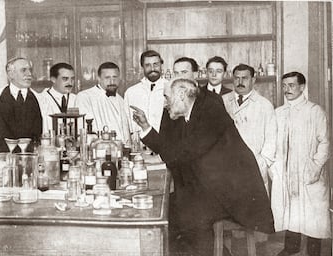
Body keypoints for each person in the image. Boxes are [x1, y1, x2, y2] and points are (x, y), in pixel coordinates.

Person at [131, 78, 274, 255]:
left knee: (184, 213)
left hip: (233, 192)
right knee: (170, 207)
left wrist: (160, 146)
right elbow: (177, 151)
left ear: (182, 94)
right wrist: (145, 126)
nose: (166, 104)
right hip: (213, 185)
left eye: (167, 98)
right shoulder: (193, 111)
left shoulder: (209, 111)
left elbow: (181, 154)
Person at [271, 72, 330, 256]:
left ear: (302, 87)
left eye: (292, 85)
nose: (287, 89)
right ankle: (291, 248)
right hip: (287, 172)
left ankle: (314, 252)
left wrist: (314, 167)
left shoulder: (315, 111)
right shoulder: (278, 113)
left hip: (309, 173)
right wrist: (275, 169)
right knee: (292, 214)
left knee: (313, 218)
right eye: (284, 86)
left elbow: (325, 143)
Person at [222, 64, 276, 193]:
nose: (240, 82)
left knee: (254, 209)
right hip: (226, 168)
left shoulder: (264, 105)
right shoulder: (222, 101)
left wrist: (262, 163)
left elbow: (271, 140)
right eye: (237, 78)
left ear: (253, 80)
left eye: (245, 78)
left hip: (255, 167)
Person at [0, 57, 42, 152]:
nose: (29, 74)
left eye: (30, 70)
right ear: (11, 74)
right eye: (24, 70)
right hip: (3, 158)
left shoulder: (39, 98)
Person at [76, 62, 130, 143]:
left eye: (115, 77)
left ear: (119, 78)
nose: (112, 81)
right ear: (99, 78)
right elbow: (83, 131)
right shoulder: (85, 97)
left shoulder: (121, 100)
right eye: (107, 78)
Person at [124, 50, 166, 134]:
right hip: (139, 143)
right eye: (148, 65)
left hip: (165, 143)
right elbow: (126, 123)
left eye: (156, 64)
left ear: (161, 65)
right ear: (142, 67)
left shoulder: (170, 88)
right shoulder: (131, 92)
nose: (152, 69)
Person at [37, 63, 76, 133]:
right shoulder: (41, 100)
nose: (70, 83)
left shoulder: (76, 99)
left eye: (72, 79)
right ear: (53, 79)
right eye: (65, 79)